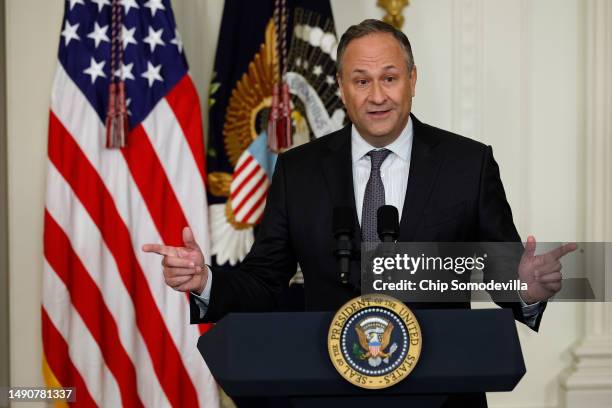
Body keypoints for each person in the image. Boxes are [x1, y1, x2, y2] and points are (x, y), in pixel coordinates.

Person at [143, 18, 575, 406]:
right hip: (327, 390)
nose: (377, 96)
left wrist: (527, 288)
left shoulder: (467, 164)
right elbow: (264, 280)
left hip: (442, 393)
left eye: (389, 78)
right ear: (341, 86)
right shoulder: (299, 170)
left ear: (412, 79)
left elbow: (501, 271)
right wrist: (206, 281)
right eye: (361, 80)